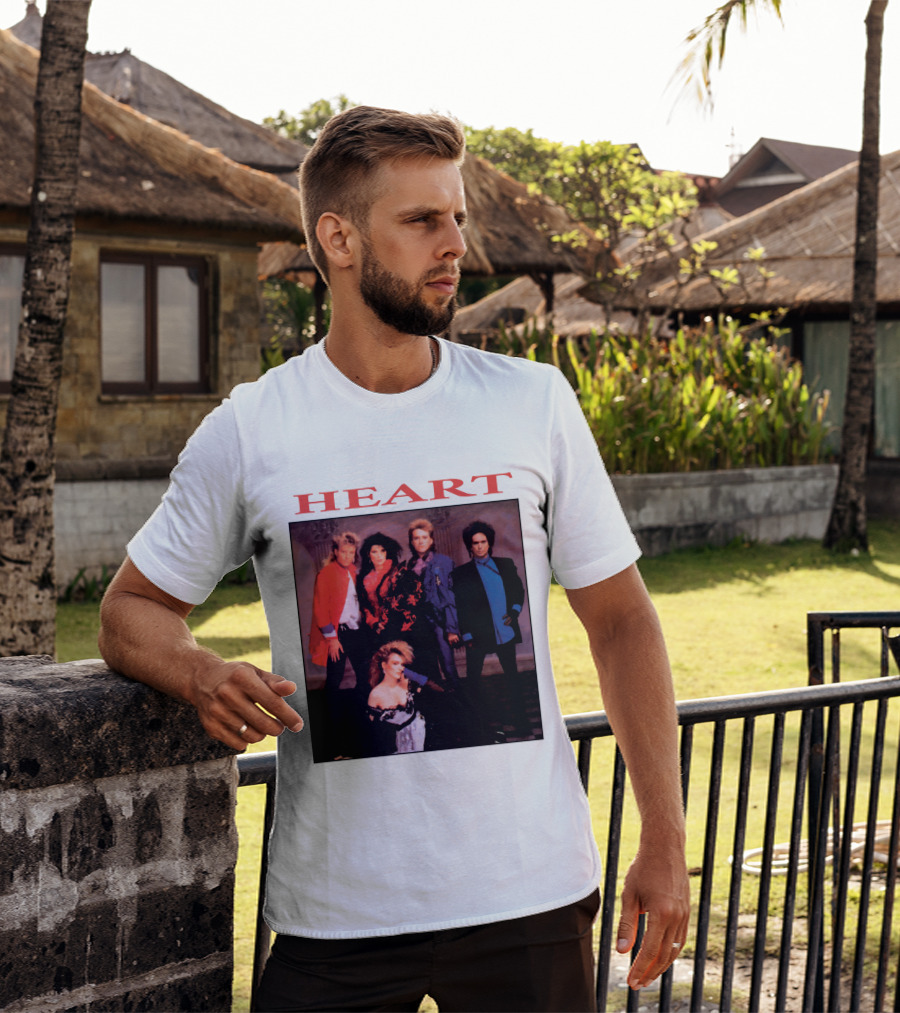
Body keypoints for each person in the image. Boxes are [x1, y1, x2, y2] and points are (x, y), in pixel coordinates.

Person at [99, 105, 689, 1012]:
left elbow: (621, 621)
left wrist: (664, 838)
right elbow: (128, 610)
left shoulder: (532, 403)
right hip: (336, 912)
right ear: (338, 238)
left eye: (457, 216)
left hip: (530, 894)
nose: (454, 243)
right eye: (421, 220)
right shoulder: (253, 428)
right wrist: (201, 672)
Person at [308, 530, 368, 756]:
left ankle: (361, 729)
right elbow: (320, 609)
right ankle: (333, 742)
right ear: (335, 552)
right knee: (334, 684)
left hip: (355, 633)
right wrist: (332, 639)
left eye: (351, 553)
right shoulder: (326, 574)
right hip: (337, 635)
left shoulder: (352, 571)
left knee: (365, 677)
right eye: (344, 552)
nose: (348, 556)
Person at [451, 519, 525, 680]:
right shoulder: (461, 574)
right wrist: (467, 635)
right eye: (475, 543)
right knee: (473, 678)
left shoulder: (505, 565)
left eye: (483, 542)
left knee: (512, 675)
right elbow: (461, 607)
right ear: (470, 546)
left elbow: (518, 591)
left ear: (489, 543)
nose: (479, 546)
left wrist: (514, 612)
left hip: (505, 630)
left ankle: (516, 697)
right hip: (477, 634)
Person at [405, 518, 460, 682]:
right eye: (416, 538)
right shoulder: (409, 565)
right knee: (427, 667)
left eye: (424, 537)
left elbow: (450, 596)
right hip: (420, 624)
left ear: (431, 540)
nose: (420, 541)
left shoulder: (443, 562)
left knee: (447, 665)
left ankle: (458, 696)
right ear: (412, 542)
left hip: (439, 621)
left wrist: (451, 628)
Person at [366, 640, 428, 754]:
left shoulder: (407, 684)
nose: (401, 668)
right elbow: (374, 735)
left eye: (402, 664)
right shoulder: (376, 695)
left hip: (420, 739)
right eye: (395, 663)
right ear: (384, 665)